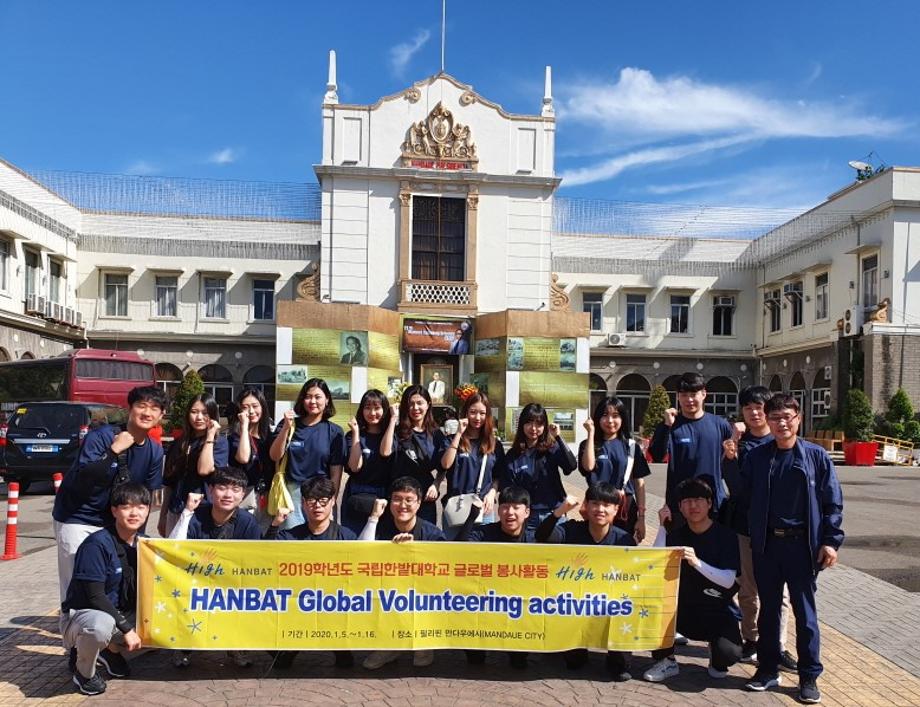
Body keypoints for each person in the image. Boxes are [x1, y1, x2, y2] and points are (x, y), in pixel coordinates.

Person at [740, 394, 844, 704]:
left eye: (788, 416)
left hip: (802, 547)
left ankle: (809, 676)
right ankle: (768, 669)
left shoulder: (815, 456)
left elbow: (832, 502)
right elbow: (743, 500)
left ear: (798, 419)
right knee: (769, 611)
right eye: (775, 418)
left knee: (805, 614)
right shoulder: (757, 458)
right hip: (768, 545)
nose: (782, 423)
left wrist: (830, 541)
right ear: (766, 420)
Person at [53, 386, 167, 602]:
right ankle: (72, 632)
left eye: (154, 408)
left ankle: (103, 630)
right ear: (129, 408)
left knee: (111, 583)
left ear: (161, 415)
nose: (147, 413)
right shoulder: (102, 437)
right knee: (77, 586)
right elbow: (84, 478)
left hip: (114, 524)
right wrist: (113, 452)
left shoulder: (154, 451)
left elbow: (144, 498)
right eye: (141, 405)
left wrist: (136, 536)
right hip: (79, 518)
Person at [722, 386, 796, 671]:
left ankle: (778, 645)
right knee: (749, 588)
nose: (754, 413)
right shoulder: (737, 445)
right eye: (748, 408)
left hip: (779, 530)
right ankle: (751, 639)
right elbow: (737, 489)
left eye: (759, 407)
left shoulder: (783, 442)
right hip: (746, 528)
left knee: (781, 592)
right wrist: (729, 460)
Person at [643, 478, 743, 684]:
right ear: (680, 506)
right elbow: (654, 564)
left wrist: (697, 562)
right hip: (683, 610)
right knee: (651, 611)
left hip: (717, 610)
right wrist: (662, 526)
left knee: (730, 653)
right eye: (687, 501)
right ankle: (666, 660)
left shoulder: (726, 536)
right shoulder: (676, 535)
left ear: (709, 503)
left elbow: (727, 580)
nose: (693, 506)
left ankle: (717, 658)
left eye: (699, 500)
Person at [536, 483, 634, 681]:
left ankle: (616, 658)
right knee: (574, 662)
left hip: (610, 602)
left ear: (616, 510)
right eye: (595, 504)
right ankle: (575, 649)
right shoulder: (571, 530)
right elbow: (542, 536)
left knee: (620, 663)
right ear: (586, 507)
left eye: (607, 505)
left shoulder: (624, 540)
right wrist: (560, 511)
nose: (600, 509)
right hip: (577, 602)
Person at [61, 482, 150, 696]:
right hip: (86, 614)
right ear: (114, 510)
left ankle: (109, 650)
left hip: (119, 613)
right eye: (127, 506)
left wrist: (186, 513)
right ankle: (85, 674)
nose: (134, 512)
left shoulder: (146, 544)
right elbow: (94, 596)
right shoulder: (96, 544)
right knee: (100, 626)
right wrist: (127, 629)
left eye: (140, 507)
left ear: (148, 510)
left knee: (167, 623)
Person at [168, 466, 260, 668]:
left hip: (233, 583)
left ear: (243, 494)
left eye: (235, 490)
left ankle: (237, 645)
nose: (228, 494)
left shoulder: (248, 523)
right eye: (222, 488)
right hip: (195, 581)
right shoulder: (195, 516)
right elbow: (173, 548)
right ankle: (184, 646)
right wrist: (186, 512)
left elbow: (255, 562)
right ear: (210, 490)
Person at [264, 476, 356, 670]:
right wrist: (274, 524)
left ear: (332, 502)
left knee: (346, 663)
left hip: (334, 603)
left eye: (323, 501)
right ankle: (287, 649)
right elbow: (265, 555)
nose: (317, 507)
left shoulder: (346, 536)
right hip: (298, 602)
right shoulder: (290, 535)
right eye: (311, 501)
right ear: (303, 504)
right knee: (282, 663)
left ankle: (340, 648)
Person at [359, 477, 445, 670]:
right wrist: (373, 517)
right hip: (388, 594)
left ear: (419, 503)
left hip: (422, 595)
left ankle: (424, 642)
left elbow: (443, 572)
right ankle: (390, 645)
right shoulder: (380, 527)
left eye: (409, 500)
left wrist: (413, 552)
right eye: (397, 499)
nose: (403, 505)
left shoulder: (431, 533)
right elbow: (360, 555)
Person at [649, 372, 733, 529]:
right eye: (684, 395)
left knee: (714, 551)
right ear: (678, 397)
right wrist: (666, 426)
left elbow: (731, 461)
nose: (689, 399)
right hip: (681, 506)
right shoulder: (671, 425)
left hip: (714, 504)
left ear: (703, 394)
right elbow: (657, 455)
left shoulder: (720, 425)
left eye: (693, 394)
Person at [269, 378, 345, 530]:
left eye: (318, 397)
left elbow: (336, 471)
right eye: (308, 397)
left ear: (327, 399)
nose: (312, 401)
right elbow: (275, 456)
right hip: (293, 493)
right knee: (292, 539)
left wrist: (331, 500)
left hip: (322, 494)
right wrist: (285, 428)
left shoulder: (334, 431)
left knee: (321, 540)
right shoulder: (290, 425)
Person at [579, 395, 651, 543]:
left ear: (622, 418)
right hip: (597, 506)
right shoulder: (588, 445)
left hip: (624, 507)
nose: (610, 421)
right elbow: (588, 466)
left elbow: (639, 482)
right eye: (605, 415)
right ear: (597, 418)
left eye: (615, 416)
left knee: (623, 549)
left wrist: (642, 518)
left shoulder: (631, 446)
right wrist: (591, 433)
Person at [500, 403, 577, 533]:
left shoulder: (552, 448)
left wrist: (558, 437)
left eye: (539, 424)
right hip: (527, 517)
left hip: (555, 512)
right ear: (522, 424)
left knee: (555, 552)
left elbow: (571, 465)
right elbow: (507, 487)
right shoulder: (514, 455)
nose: (534, 428)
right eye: (529, 422)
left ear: (545, 426)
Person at [158, 394, 228, 537]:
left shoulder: (219, 443)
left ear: (213, 415)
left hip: (204, 513)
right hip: (176, 509)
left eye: (205, 413)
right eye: (194, 412)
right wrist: (162, 516)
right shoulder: (179, 443)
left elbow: (204, 470)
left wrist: (210, 437)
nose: (199, 418)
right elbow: (170, 483)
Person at [438, 392, 503, 539]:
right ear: (465, 412)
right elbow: (445, 464)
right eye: (473, 412)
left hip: (483, 509)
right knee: (453, 555)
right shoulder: (451, 440)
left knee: (481, 555)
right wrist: (459, 434)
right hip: (457, 507)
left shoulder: (494, 444)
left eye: (482, 413)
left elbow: (498, 475)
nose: (477, 418)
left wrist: (492, 492)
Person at [342, 389, 397, 535]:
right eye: (368, 408)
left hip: (383, 495)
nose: (372, 413)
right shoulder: (352, 436)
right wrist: (356, 434)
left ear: (384, 409)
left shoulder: (392, 435)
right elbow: (355, 466)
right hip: (357, 494)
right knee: (354, 540)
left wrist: (392, 420)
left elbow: (385, 452)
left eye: (377, 408)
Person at [393, 385, 446, 524]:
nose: (415, 408)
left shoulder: (436, 434)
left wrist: (436, 484)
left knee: (425, 538)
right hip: (400, 495)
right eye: (410, 404)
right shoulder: (397, 432)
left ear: (428, 405)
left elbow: (444, 466)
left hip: (425, 495)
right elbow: (386, 454)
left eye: (419, 403)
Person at [228, 387, 275, 517]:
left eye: (255, 406)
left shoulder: (269, 436)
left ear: (263, 408)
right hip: (244, 496)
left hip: (267, 495)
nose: (251, 411)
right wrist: (244, 427)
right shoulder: (235, 437)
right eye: (245, 407)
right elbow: (243, 458)